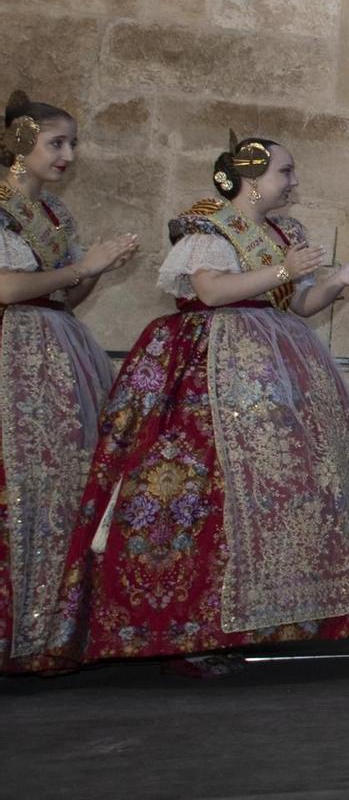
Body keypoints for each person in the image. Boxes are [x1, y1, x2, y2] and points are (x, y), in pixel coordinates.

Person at [53, 136, 349, 670]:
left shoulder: (284, 232)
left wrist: (341, 281)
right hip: (209, 367)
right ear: (252, 178)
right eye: (285, 172)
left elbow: (298, 304)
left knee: (273, 487)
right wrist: (284, 271)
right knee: (207, 489)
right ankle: (193, 627)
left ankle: (265, 615)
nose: (293, 182)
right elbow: (210, 292)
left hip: (274, 362)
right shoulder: (207, 225)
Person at [0, 93, 139, 673]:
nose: (68, 154)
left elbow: (61, 291)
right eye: (56, 142)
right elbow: (7, 289)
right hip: (13, 351)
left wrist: (94, 271)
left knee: (67, 480)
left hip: (63, 349)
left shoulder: (56, 213)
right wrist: (85, 266)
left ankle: (53, 624)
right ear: (18, 142)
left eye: (72, 143)